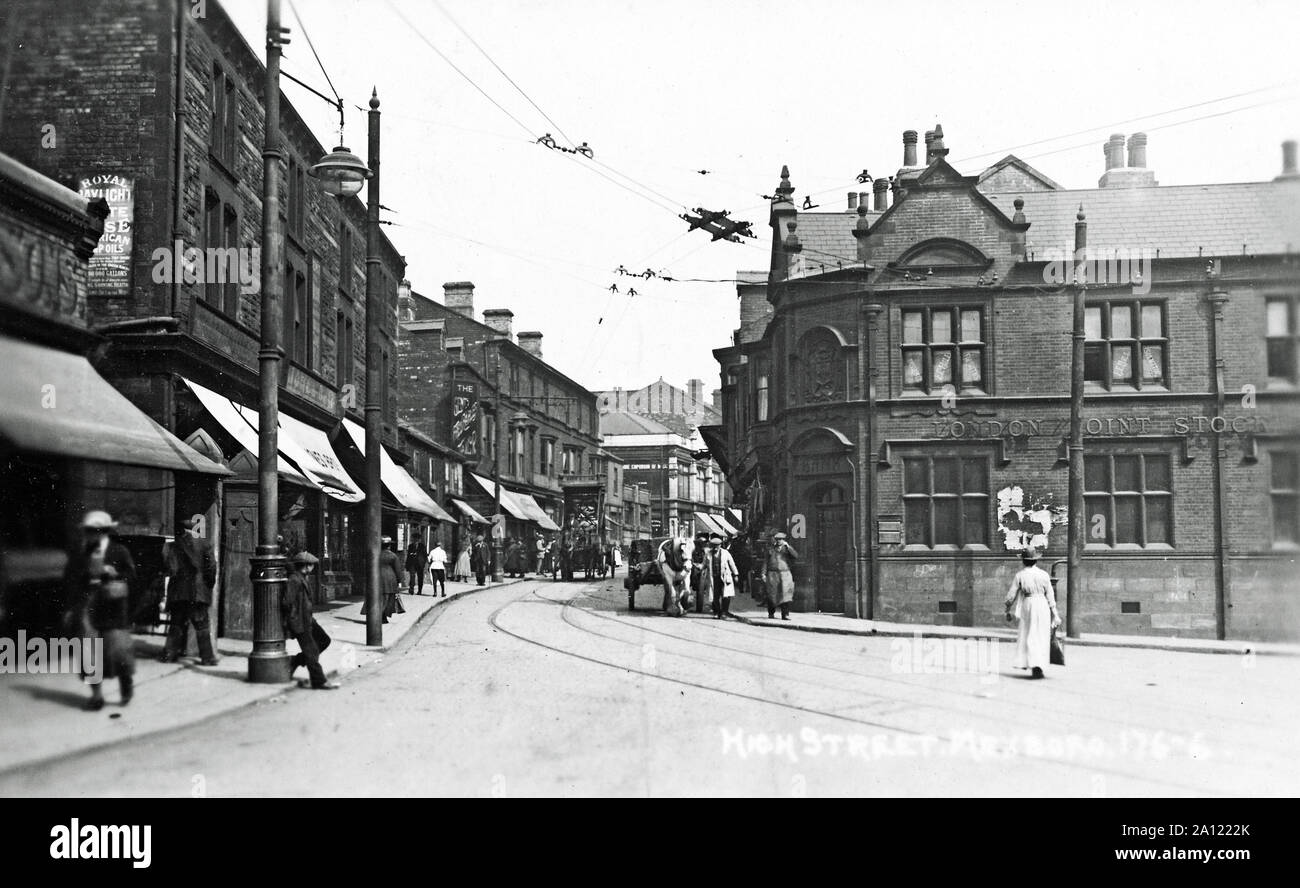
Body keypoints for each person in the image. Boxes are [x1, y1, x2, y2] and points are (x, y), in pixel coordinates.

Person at [65, 510, 137, 710]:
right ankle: (96, 695)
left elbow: (132, 576)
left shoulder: (119, 551)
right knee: (88, 651)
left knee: (118, 650)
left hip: (113, 607)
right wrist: (71, 607)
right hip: (89, 607)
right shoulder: (80, 553)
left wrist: (115, 573)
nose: (92, 535)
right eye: (89, 531)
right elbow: (70, 580)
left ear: (105, 531)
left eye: (96, 531)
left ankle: (126, 684)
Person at [161, 516, 219, 665]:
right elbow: (211, 567)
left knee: (176, 623)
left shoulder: (172, 545)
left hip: (178, 590)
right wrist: (208, 585)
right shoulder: (204, 544)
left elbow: (169, 567)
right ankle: (207, 658)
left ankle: (169, 654)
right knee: (201, 625)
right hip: (198, 590)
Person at [282, 551, 338, 690]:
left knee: (324, 640)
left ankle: (296, 660)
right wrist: (294, 616)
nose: (313, 567)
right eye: (311, 565)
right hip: (300, 621)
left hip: (308, 619)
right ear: (305, 566)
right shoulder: (294, 580)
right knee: (312, 651)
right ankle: (319, 681)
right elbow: (286, 602)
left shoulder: (302, 578)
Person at [1004, 547, 1061, 679]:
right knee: (1041, 635)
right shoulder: (1044, 575)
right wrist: (1055, 614)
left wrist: (1007, 610)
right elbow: (1050, 596)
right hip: (1042, 605)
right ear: (1035, 560)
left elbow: (1011, 596)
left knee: (1028, 634)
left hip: (1028, 605)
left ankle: (1030, 662)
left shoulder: (1020, 575)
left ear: (1023, 561)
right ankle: (1038, 665)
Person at [703, 533, 740, 619]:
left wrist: (736, 574)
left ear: (720, 545)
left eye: (717, 545)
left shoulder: (725, 553)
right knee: (714, 596)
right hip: (713, 577)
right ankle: (716, 612)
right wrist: (699, 567)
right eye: (713, 545)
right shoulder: (708, 554)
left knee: (726, 595)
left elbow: (732, 564)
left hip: (724, 577)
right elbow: (704, 564)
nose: (715, 547)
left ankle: (724, 612)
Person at [765, 531, 798, 620]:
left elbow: (795, 556)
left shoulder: (786, 549)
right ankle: (771, 613)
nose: (779, 541)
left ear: (784, 540)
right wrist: (763, 573)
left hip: (785, 574)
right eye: (777, 539)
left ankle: (785, 614)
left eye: (781, 539)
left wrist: (788, 547)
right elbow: (765, 562)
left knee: (785, 594)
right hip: (773, 574)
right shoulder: (771, 549)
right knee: (772, 593)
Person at [379, 536, 404, 622]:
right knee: (388, 598)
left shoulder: (376, 554)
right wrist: (399, 581)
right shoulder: (393, 556)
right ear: (389, 546)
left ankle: (377, 615)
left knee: (379, 597)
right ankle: (384, 616)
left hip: (377, 578)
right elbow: (397, 570)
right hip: (390, 579)